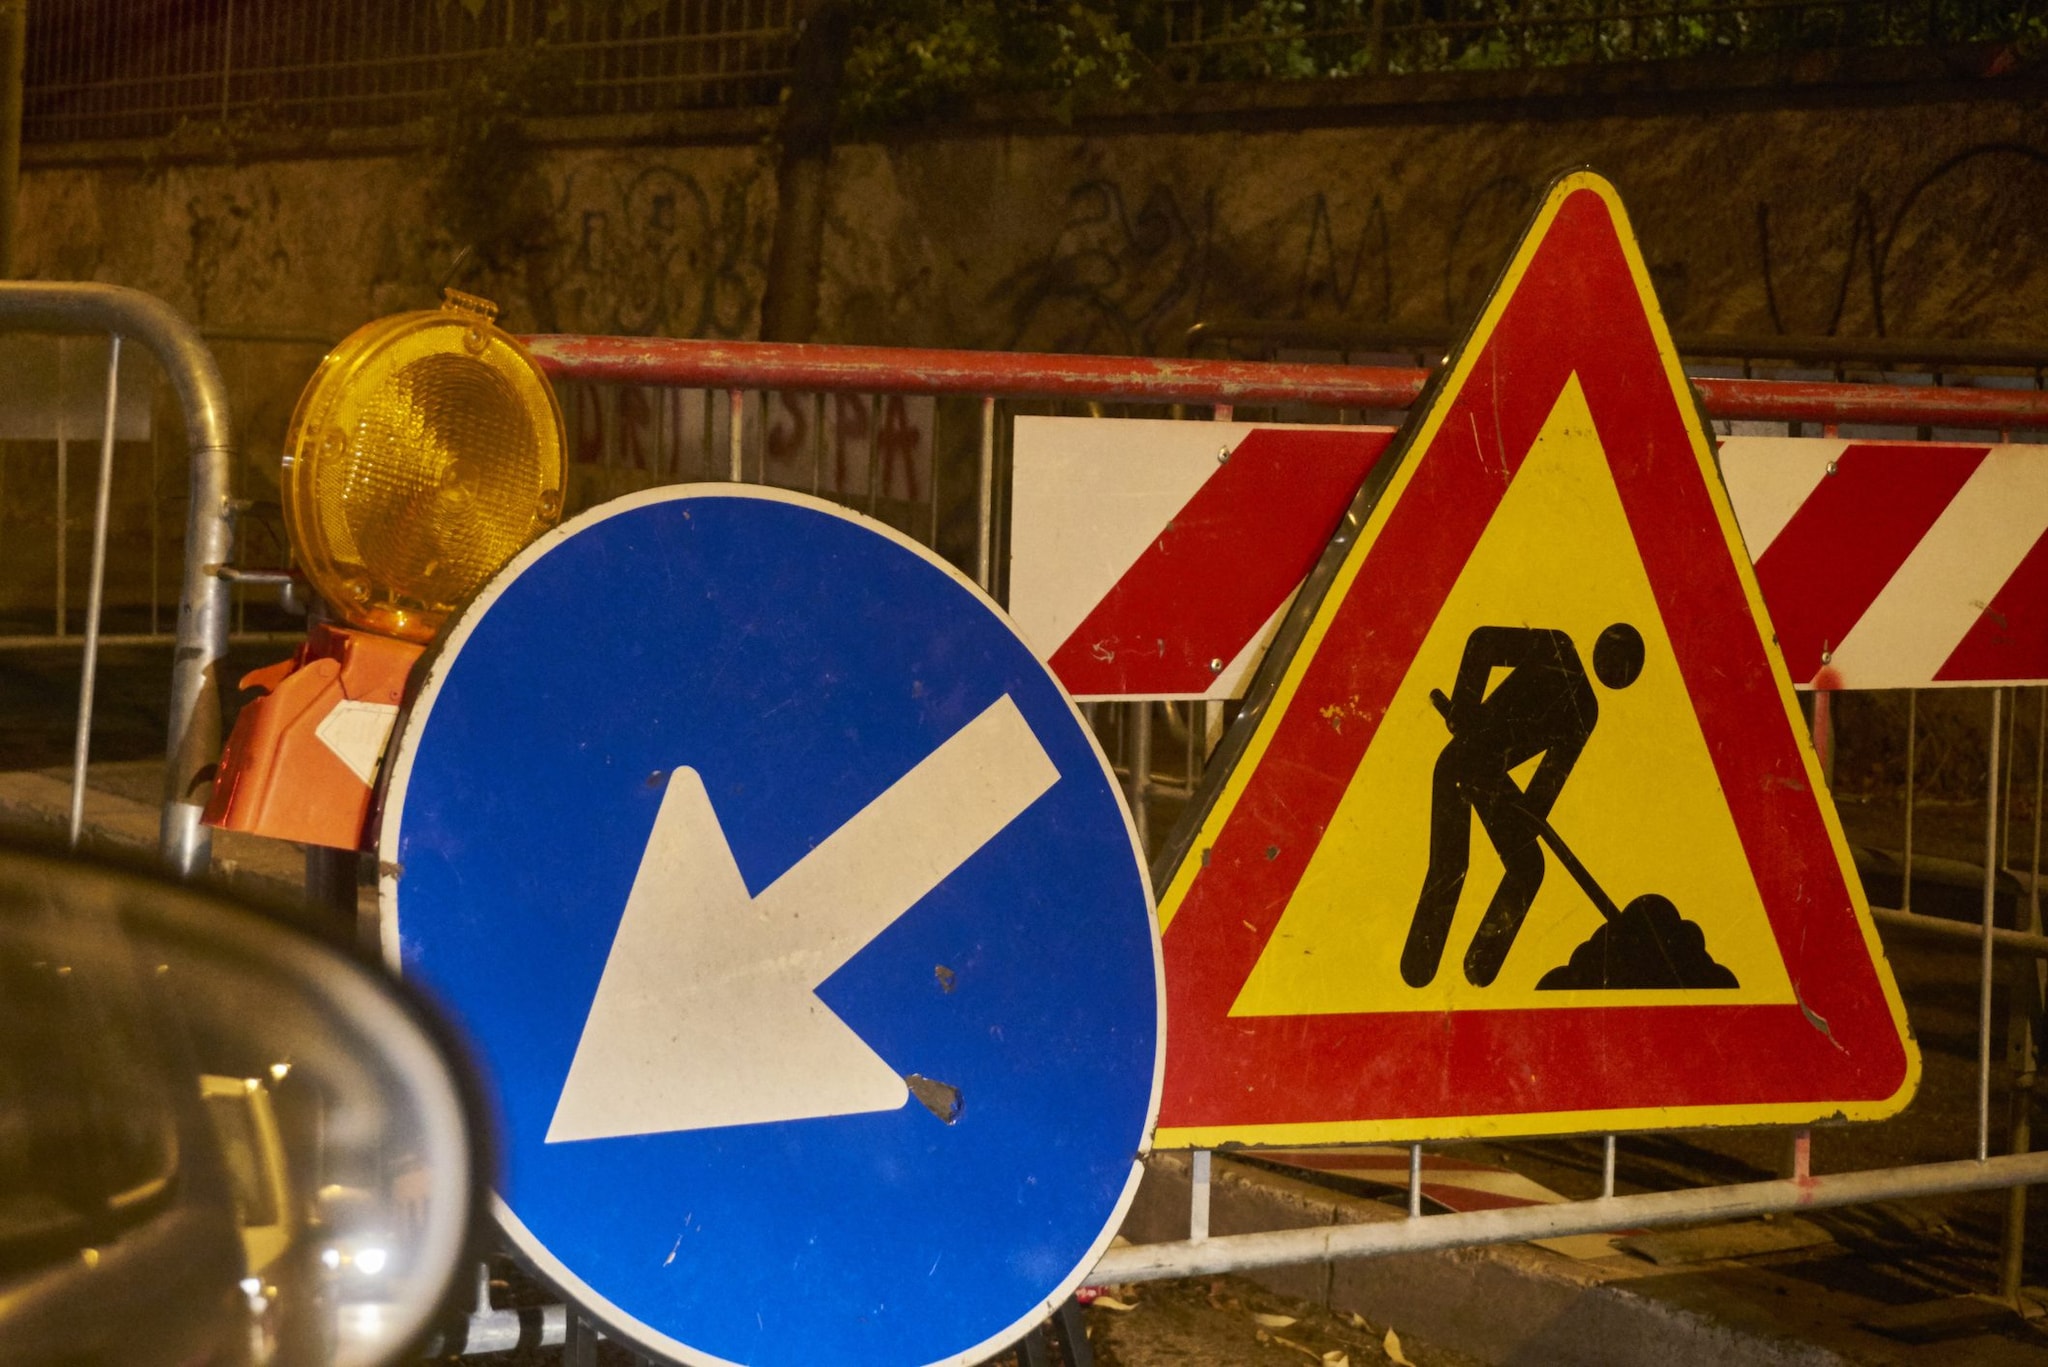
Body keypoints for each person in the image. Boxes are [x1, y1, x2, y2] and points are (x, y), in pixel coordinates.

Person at [1401, 622, 1645, 988]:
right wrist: (1464, 704)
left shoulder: (1586, 711)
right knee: (1450, 862)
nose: (1614, 669)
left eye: (1623, 667)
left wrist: (1527, 813)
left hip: (1493, 782)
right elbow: (1481, 642)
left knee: (1528, 867)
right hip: (1458, 763)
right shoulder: (1555, 646)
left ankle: (1479, 966)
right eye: (1615, 656)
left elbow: (1547, 785)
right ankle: (1420, 962)